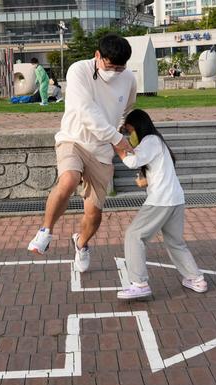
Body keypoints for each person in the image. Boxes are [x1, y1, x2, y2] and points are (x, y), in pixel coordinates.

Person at [27, 33, 137, 272]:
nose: (115, 72)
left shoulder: (128, 78)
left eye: (121, 67)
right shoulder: (79, 71)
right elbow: (86, 112)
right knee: (68, 180)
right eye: (110, 66)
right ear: (98, 56)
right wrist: (118, 140)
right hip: (74, 138)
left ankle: (81, 242)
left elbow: (126, 108)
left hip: (101, 150)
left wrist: (118, 132)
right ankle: (45, 231)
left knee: (94, 214)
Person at [113, 109, 207, 299]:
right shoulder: (158, 142)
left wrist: (115, 143)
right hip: (175, 199)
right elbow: (161, 171)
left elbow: (132, 161)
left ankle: (139, 283)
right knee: (175, 242)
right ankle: (196, 279)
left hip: (161, 200)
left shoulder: (150, 141)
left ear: (138, 127)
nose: (129, 136)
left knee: (134, 236)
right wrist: (145, 181)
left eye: (130, 131)